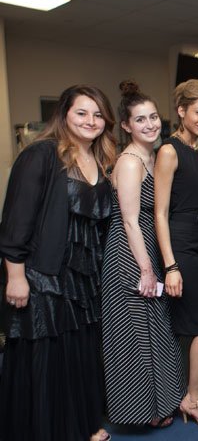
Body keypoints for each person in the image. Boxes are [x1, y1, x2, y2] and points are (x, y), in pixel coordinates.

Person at [0, 85, 116, 441]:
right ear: (64, 114)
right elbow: (16, 221)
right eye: (82, 113)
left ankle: (80, 426)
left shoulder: (101, 159)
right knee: (47, 358)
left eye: (97, 114)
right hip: (43, 275)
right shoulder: (41, 155)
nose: (90, 121)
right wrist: (15, 277)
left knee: (78, 354)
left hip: (82, 277)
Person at [101, 81, 185, 428]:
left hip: (146, 248)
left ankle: (157, 405)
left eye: (153, 117)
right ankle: (138, 413)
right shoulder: (132, 161)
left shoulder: (153, 154)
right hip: (129, 254)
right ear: (126, 126)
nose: (150, 124)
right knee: (134, 333)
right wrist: (148, 270)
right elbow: (131, 221)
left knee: (156, 329)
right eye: (140, 120)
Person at [154, 79, 198, 427]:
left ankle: (197, 393)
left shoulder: (196, 152)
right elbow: (159, 213)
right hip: (181, 246)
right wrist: (171, 265)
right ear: (181, 111)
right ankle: (193, 399)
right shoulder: (169, 151)